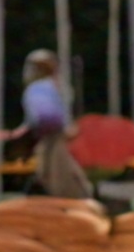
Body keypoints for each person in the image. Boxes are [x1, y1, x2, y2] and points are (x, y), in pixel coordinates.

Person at [11, 50, 91, 198]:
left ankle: (78, 195)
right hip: (48, 134)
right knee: (49, 166)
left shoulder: (45, 87)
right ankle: (61, 194)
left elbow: (56, 110)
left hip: (54, 134)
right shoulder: (50, 86)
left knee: (58, 166)